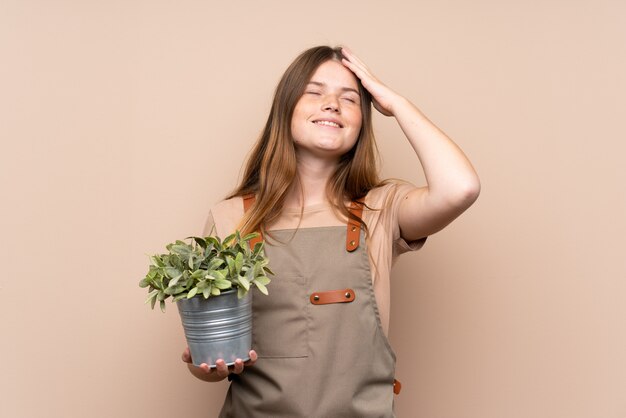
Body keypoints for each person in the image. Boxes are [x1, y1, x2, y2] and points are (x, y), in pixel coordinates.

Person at [181, 45, 480, 417]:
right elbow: (207, 359)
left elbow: (461, 188)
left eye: (350, 99)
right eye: (315, 91)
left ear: (363, 122)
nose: (332, 105)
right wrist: (207, 363)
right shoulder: (230, 219)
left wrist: (396, 103)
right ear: (285, 108)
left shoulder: (381, 209)